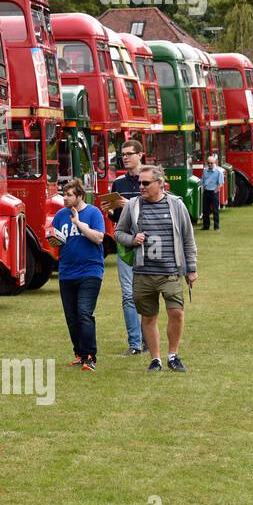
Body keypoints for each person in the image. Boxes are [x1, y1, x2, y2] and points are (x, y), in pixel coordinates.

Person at [113, 165, 198, 373]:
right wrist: (132, 240)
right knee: (148, 317)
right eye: (140, 183)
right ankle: (156, 360)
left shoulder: (176, 205)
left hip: (170, 271)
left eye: (145, 183)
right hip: (143, 272)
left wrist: (192, 268)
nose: (140, 187)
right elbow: (118, 233)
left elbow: (188, 238)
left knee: (176, 312)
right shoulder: (132, 206)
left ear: (160, 183)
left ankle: (173, 355)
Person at [48, 178, 106, 371]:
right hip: (67, 272)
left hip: (90, 271)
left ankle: (90, 356)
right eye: (64, 194)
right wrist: (53, 239)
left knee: (84, 313)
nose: (65, 198)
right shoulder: (60, 215)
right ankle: (79, 353)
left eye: (69, 195)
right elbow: (56, 240)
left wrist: (78, 223)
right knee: (71, 317)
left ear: (79, 195)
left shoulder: (93, 213)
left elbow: (98, 238)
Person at [109, 138, 145, 354]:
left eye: (129, 153)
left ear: (140, 155)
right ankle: (135, 344)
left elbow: (155, 208)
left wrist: (129, 204)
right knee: (128, 294)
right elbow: (118, 218)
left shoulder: (150, 179)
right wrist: (111, 210)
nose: (126, 157)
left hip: (147, 242)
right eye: (123, 154)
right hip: (125, 244)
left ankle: (149, 340)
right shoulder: (118, 184)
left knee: (146, 294)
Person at [200, 153, 224, 231]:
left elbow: (220, 183)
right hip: (206, 192)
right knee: (205, 210)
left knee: (215, 210)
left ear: (215, 163)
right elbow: (202, 181)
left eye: (211, 163)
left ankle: (216, 226)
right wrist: (203, 189)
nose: (210, 164)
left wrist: (215, 190)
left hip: (214, 192)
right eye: (208, 163)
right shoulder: (205, 171)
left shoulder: (218, 171)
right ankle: (206, 226)